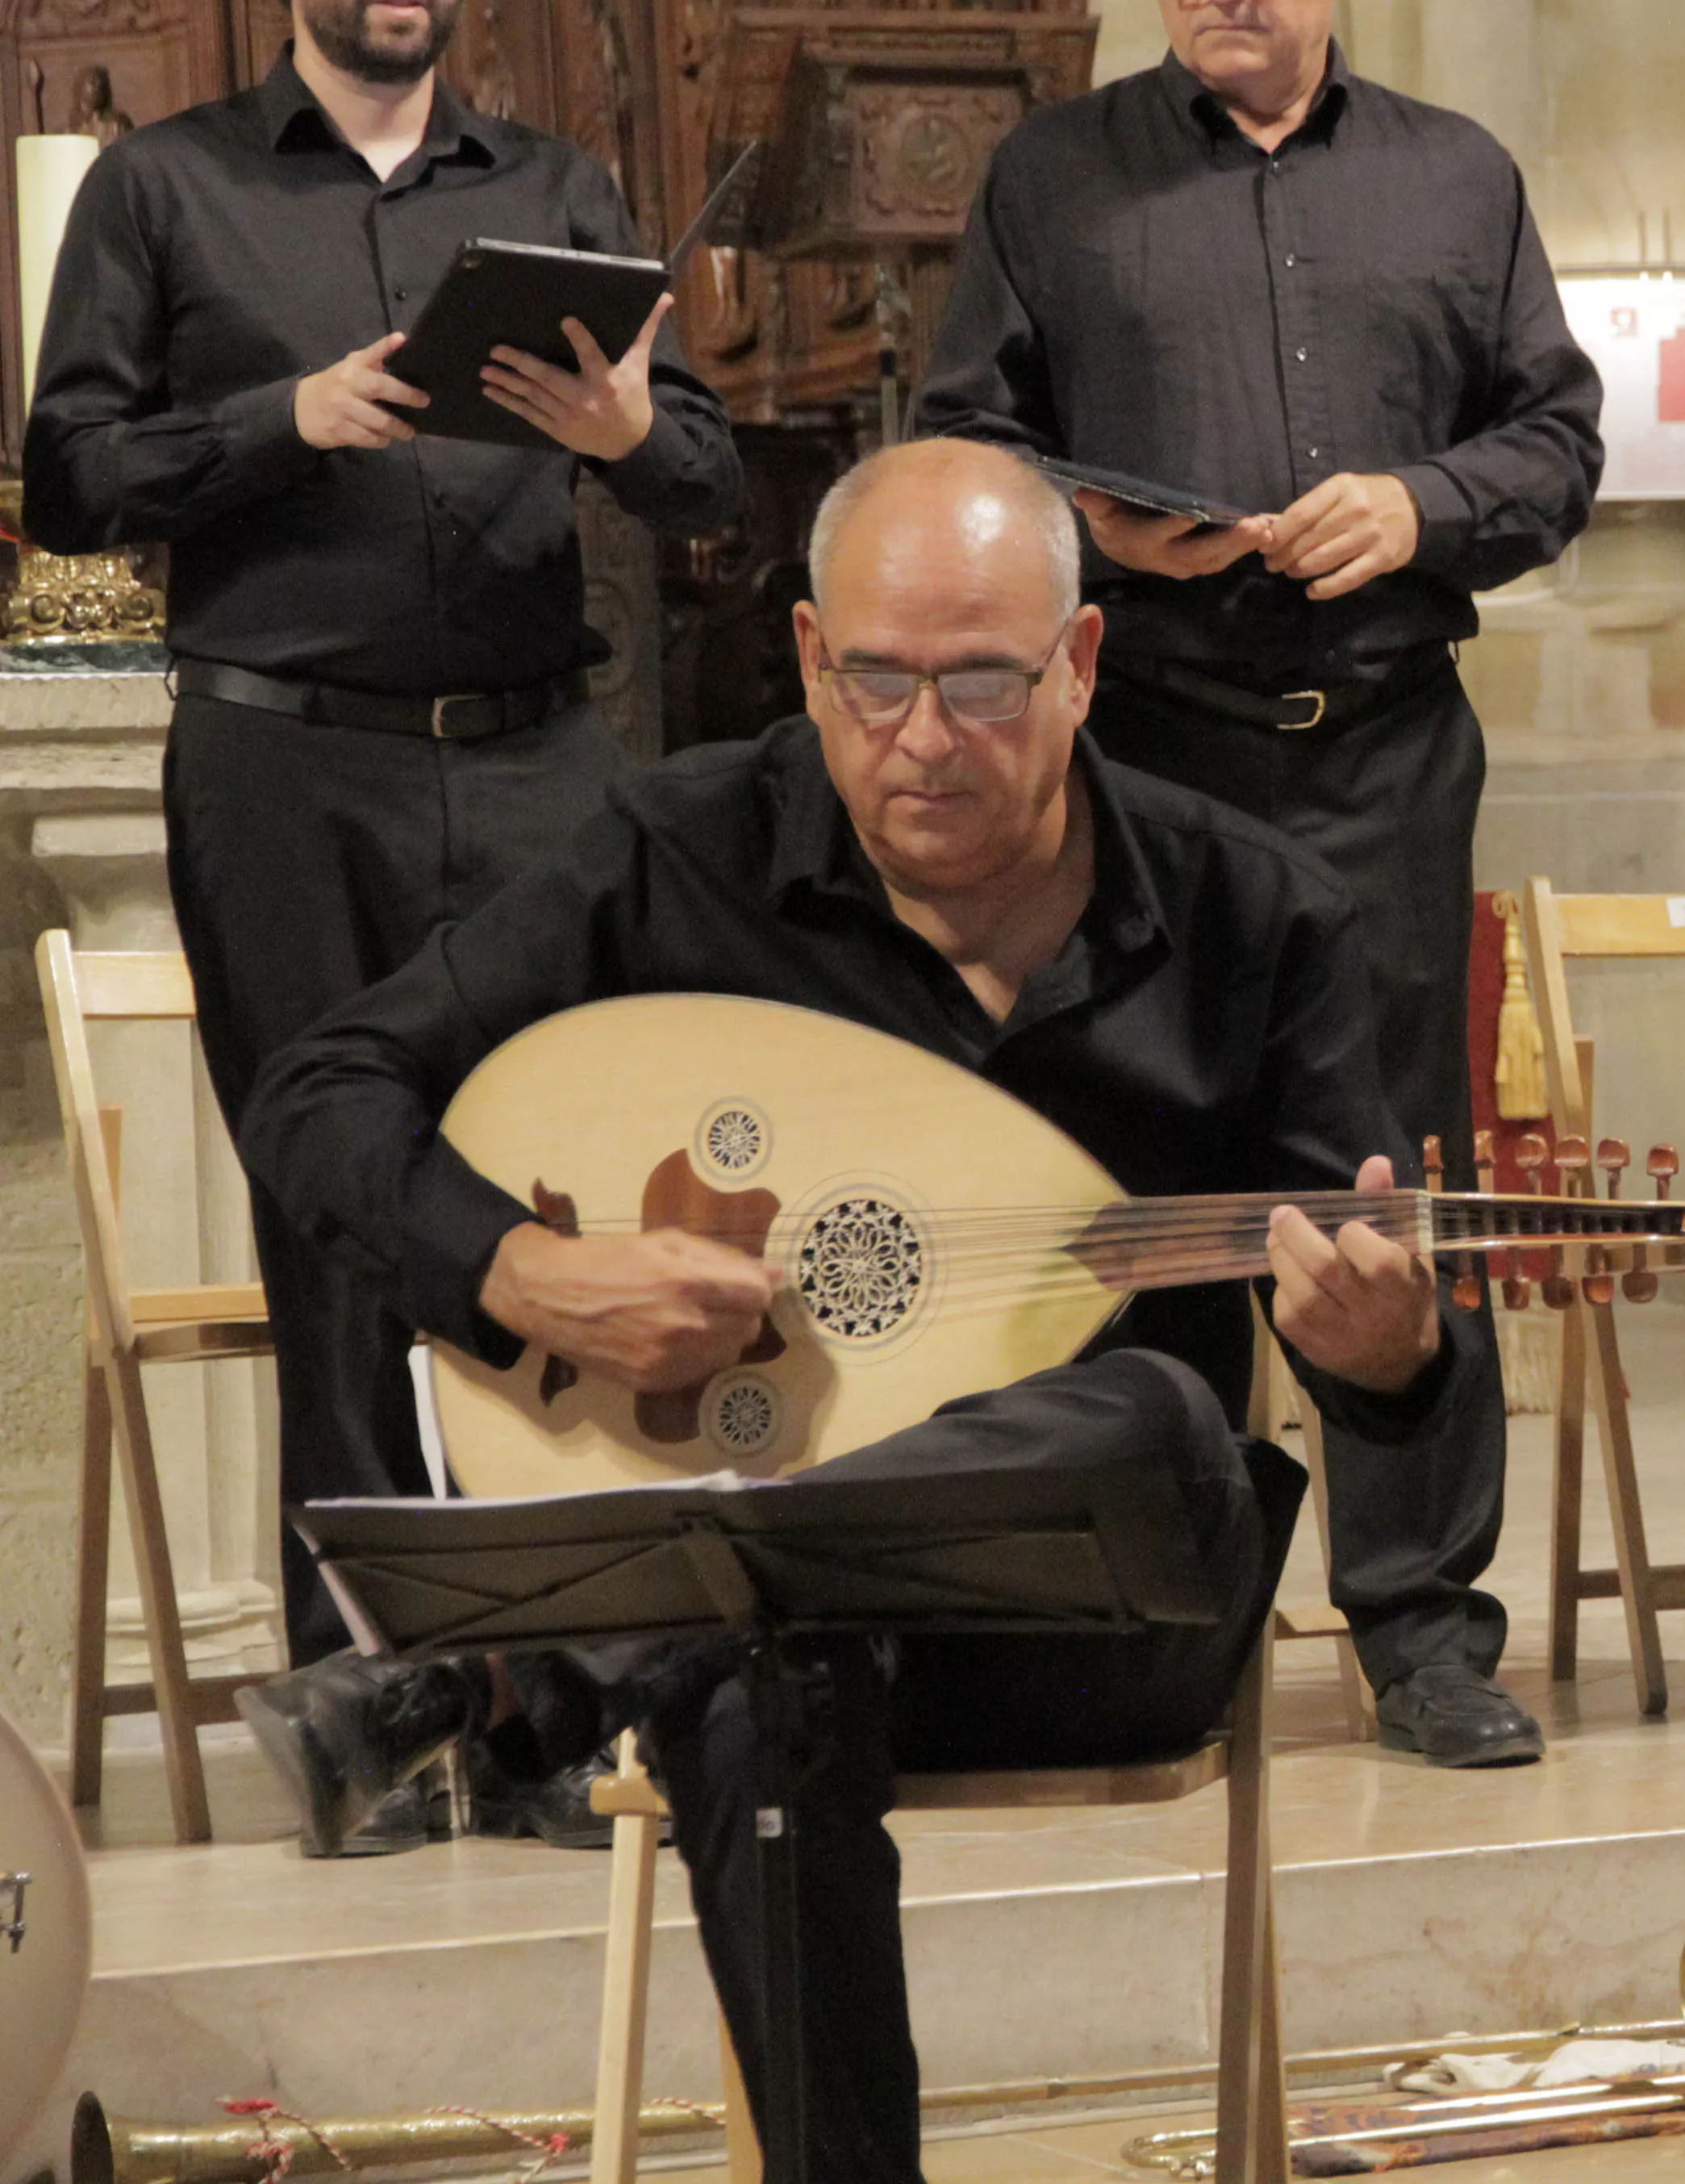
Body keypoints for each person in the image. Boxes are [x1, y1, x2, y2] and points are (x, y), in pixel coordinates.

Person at [228, 441, 1449, 2183]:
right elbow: (323, 1090)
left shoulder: (1258, 913)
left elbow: (1392, 1339)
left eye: (981, 684)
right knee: (757, 1675)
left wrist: (1380, 1347)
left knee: (1156, 1413)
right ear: (807, 656)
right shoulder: (678, 853)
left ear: (1082, 665)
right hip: (780, 1637)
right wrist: (523, 1269)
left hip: (1100, 1606)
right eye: (874, 682)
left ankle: (538, 1663)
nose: (923, 738)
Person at [23, 0, 745, 1848]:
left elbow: (700, 481)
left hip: (534, 757)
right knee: (343, 1215)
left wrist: (628, 426)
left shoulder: (560, 181)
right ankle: (377, 1716)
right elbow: (70, 469)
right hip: (287, 756)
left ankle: (543, 1706)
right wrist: (285, 413)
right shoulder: (166, 189)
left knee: (554, 1210)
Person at [920, 0, 1603, 1770]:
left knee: (1390, 1166)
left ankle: (1422, 1625)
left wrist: (1419, 503)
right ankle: (1157, 1616)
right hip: (1143, 763)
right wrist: (1089, 533)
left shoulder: (1456, 178)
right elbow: (967, 436)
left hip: (1383, 751)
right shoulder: (1056, 181)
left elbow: (1554, 443)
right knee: (1150, 1181)